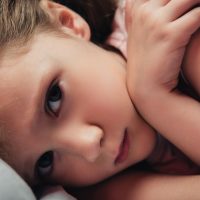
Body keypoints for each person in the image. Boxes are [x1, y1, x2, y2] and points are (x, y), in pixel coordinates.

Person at [0, 0, 200, 199]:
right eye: (45, 161)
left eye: (54, 97)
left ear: (68, 24)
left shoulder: (171, 31)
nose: (90, 147)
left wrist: (155, 99)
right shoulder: (101, 187)